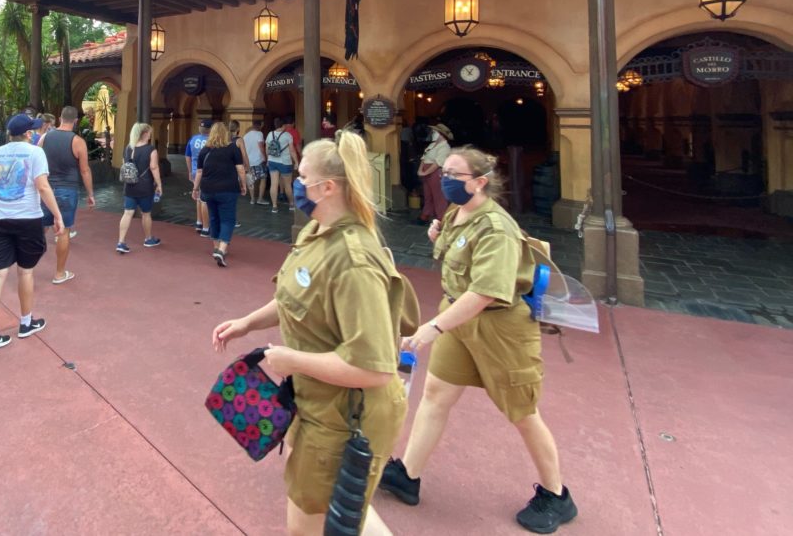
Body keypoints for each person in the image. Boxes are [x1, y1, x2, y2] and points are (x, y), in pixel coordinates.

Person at [212, 131, 411, 535]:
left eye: (302, 177)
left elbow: (374, 368)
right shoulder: (315, 232)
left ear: (327, 187)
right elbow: (294, 297)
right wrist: (248, 323)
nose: (296, 183)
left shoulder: (354, 260)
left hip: (349, 413)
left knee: (309, 516)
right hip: (318, 401)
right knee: (342, 505)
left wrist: (288, 359)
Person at [379, 146, 577, 534]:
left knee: (522, 412)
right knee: (436, 394)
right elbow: (453, 259)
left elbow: (486, 291)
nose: (446, 180)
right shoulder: (457, 213)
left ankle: (557, 495)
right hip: (460, 319)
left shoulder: (496, 228)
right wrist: (437, 232)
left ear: (481, 182)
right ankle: (409, 474)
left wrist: (433, 328)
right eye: (445, 173)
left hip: (500, 329)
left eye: (455, 175)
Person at [0, 113, 65, 354]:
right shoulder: (35, 152)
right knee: (26, 272)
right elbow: (43, 186)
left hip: (0, 219)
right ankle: (26, 322)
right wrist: (57, 215)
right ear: (28, 133)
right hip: (28, 218)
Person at [38, 105, 96, 284]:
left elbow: (37, 161)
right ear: (76, 121)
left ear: (60, 117)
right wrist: (90, 193)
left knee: (39, 226)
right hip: (67, 190)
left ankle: (27, 266)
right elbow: (84, 170)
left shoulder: (45, 137)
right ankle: (59, 273)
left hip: (46, 189)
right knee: (63, 230)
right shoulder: (77, 141)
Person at [192, 122, 246, 267]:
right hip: (228, 189)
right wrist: (243, 185)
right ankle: (221, 250)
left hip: (208, 189)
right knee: (228, 219)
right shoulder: (232, 148)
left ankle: (216, 247)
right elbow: (240, 169)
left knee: (214, 217)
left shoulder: (205, 150)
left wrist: (195, 188)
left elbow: (199, 172)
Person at [117, 122, 162, 253]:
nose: (150, 135)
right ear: (145, 134)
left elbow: (124, 164)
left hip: (130, 185)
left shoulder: (128, 148)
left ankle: (121, 241)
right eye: (149, 133)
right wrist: (159, 184)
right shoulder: (151, 149)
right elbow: (154, 167)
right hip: (145, 186)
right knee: (146, 214)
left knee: (127, 213)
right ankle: (148, 239)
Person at [417, 123, 452, 223]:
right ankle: (425, 215)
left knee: (439, 196)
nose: (432, 133)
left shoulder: (445, 147)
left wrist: (425, 172)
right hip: (427, 171)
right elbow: (424, 157)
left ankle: (441, 219)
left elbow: (437, 163)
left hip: (436, 173)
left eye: (434, 132)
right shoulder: (433, 144)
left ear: (441, 134)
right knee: (428, 195)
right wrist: (420, 170)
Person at [266, 117, 299, 212]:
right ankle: (292, 204)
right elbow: (292, 150)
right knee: (288, 185)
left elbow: (267, 149)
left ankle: (274, 206)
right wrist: (296, 162)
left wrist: (268, 159)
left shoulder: (269, 134)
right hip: (285, 162)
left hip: (272, 161)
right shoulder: (287, 135)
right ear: (283, 125)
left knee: (274, 184)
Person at [185, 120, 211, 236]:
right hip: (208, 173)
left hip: (196, 171)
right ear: (210, 129)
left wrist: (190, 171)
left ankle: (198, 222)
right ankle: (206, 226)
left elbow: (188, 156)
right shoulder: (211, 140)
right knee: (205, 199)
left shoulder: (193, 139)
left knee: (198, 197)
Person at [241, 119, 269, 205]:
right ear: (260, 125)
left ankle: (252, 199)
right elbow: (261, 147)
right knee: (263, 179)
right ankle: (260, 198)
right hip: (258, 160)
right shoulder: (259, 134)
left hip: (248, 161)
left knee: (250, 180)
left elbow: (243, 150)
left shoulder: (245, 136)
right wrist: (265, 157)